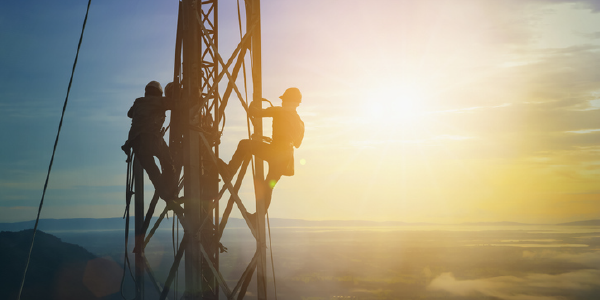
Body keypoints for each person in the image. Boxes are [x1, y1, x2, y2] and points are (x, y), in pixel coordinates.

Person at [221, 87, 304, 210]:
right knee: (268, 187)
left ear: (288, 101)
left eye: (284, 100)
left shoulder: (278, 111)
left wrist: (253, 104)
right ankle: (257, 218)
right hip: (285, 160)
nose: (282, 102)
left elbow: (254, 113)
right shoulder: (300, 123)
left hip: (274, 152)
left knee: (244, 145)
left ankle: (229, 170)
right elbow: (297, 144)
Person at [122, 81, 178, 201]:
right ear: (159, 93)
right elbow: (178, 105)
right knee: (169, 165)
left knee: (153, 173)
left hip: (137, 143)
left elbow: (129, 114)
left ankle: (166, 197)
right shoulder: (161, 101)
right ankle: (172, 193)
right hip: (152, 138)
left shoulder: (138, 102)